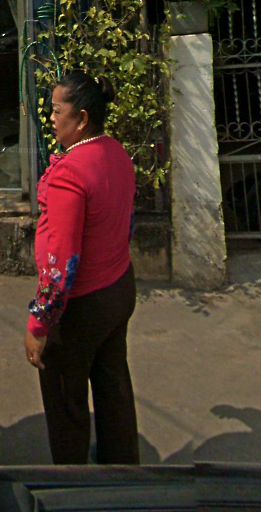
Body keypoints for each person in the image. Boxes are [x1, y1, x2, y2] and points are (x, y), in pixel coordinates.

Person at [24, 71, 140, 464]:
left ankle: (73, 483)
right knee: (113, 386)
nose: (51, 118)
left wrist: (40, 324)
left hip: (80, 307)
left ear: (83, 118)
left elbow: (60, 263)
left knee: (66, 404)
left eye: (58, 111)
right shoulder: (116, 153)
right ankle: (124, 471)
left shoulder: (69, 174)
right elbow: (126, 223)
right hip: (119, 289)